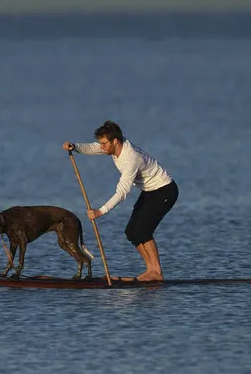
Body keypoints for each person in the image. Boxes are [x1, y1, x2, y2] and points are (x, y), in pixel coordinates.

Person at [62, 120, 178, 281]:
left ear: (115, 141)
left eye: (104, 143)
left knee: (142, 231)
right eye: (100, 143)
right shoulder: (115, 147)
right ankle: (151, 270)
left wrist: (100, 211)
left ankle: (156, 272)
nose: (101, 147)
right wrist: (75, 147)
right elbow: (93, 148)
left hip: (165, 191)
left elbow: (122, 192)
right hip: (150, 191)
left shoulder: (131, 159)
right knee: (131, 232)